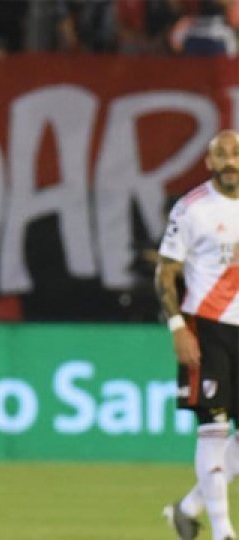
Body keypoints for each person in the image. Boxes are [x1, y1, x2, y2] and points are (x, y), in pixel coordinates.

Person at [158, 129, 239, 540]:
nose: (230, 161)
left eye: (236, 154)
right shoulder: (192, 209)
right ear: (208, 162)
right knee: (214, 428)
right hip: (205, 328)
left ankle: (188, 509)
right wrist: (177, 327)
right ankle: (224, 533)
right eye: (221, 154)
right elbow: (166, 273)